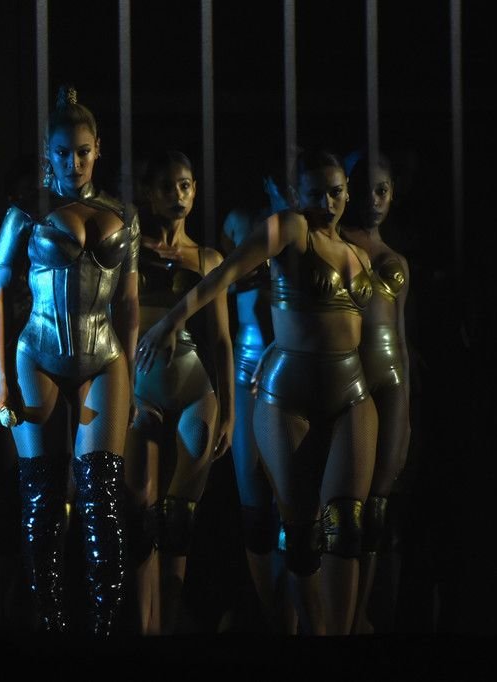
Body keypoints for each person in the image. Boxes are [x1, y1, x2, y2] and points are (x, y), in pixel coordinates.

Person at [137, 150, 378, 635]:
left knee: (347, 526)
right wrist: (172, 319)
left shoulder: (360, 254)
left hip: (352, 390)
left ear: (348, 192)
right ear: (296, 196)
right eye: (315, 194)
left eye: (335, 192)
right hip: (288, 394)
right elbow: (224, 274)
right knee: (300, 532)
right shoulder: (291, 228)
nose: (327, 203)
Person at [0, 85, 140, 635]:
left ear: (98, 150)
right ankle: (48, 625)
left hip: (105, 356)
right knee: (43, 498)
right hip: (39, 354)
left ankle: (105, 628)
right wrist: (0, 378)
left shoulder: (122, 213)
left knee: (102, 498)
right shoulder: (26, 212)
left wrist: (132, 376)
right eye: (62, 152)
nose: (73, 163)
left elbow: (128, 303)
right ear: (47, 153)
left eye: (82, 152)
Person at [126, 150, 232, 634]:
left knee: (179, 520)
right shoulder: (130, 248)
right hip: (140, 387)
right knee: (141, 514)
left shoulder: (208, 258)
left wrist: (229, 410)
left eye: (185, 185)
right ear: (149, 194)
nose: (178, 195)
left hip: (194, 386)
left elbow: (222, 340)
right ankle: (143, 625)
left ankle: (168, 624)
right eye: (167, 186)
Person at [220, 169, 294, 631]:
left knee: (291, 494)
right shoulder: (240, 220)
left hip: (292, 365)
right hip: (247, 362)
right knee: (251, 489)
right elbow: (221, 284)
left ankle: (291, 613)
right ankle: (270, 611)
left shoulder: (308, 226)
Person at [340, 151, 410, 633]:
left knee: (379, 505)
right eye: (365, 188)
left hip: (390, 377)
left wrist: (408, 413)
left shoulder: (397, 259)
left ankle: (361, 611)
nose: (374, 199)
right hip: (348, 374)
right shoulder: (336, 242)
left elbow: (400, 340)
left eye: (382, 190)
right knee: (348, 502)